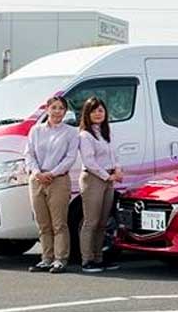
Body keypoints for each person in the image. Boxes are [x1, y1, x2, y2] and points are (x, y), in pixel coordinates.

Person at [22, 96, 79, 273]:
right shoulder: (36, 130)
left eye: (61, 108)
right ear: (47, 109)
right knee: (42, 223)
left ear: (65, 111)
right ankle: (46, 258)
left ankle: (60, 259)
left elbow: (70, 157)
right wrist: (37, 172)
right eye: (54, 108)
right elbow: (29, 154)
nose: (57, 111)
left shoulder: (71, 132)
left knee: (59, 222)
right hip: (37, 179)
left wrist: (52, 173)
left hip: (58, 179)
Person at [77, 97, 123, 273]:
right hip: (93, 179)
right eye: (94, 110)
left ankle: (99, 258)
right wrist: (107, 176)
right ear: (87, 114)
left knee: (103, 221)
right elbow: (89, 162)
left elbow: (114, 155)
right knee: (91, 221)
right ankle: (87, 260)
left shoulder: (105, 132)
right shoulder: (85, 135)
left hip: (109, 178)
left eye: (101, 110)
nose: (98, 113)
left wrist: (117, 170)